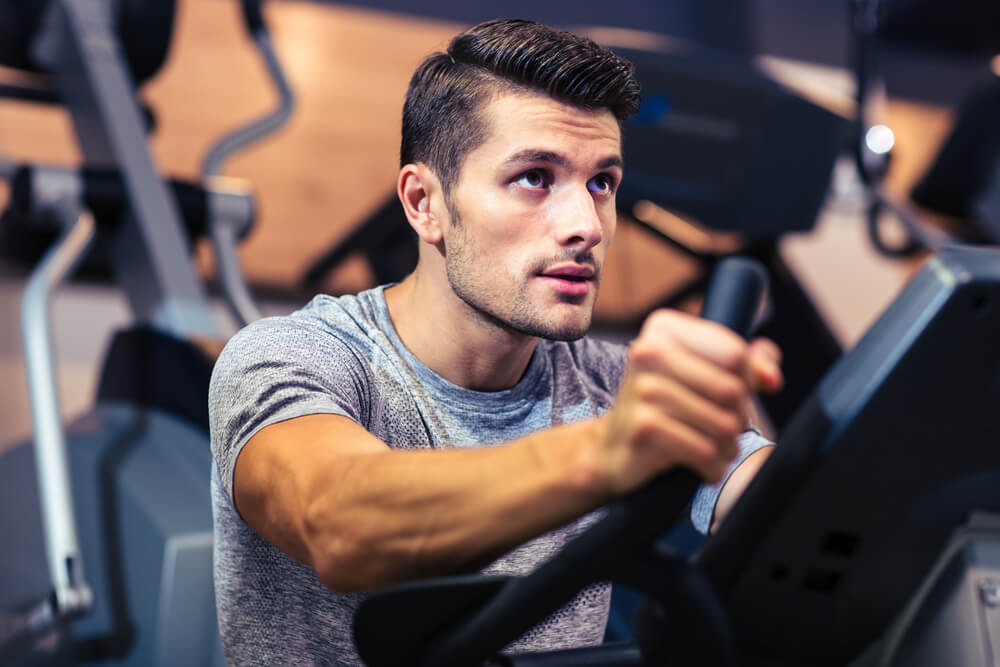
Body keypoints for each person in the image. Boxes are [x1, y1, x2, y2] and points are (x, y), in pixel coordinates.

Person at [208, 18, 783, 666]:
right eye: (535, 177)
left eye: (602, 183)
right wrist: (605, 453)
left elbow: (788, 515)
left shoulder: (612, 384)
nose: (586, 225)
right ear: (424, 203)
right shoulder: (292, 357)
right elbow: (338, 522)